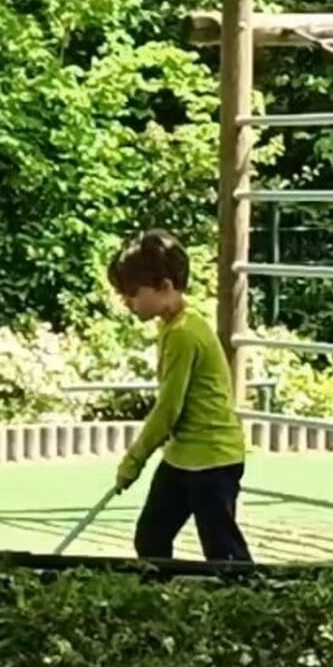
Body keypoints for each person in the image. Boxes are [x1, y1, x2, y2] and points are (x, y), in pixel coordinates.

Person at [108, 229, 253, 563]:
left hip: (214, 459)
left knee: (224, 554)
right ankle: (164, 606)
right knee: (151, 537)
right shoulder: (171, 325)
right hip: (182, 457)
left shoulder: (185, 333)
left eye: (132, 293)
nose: (128, 303)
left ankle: (248, 606)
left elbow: (168, 409)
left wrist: (134, 461)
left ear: (165, 287)